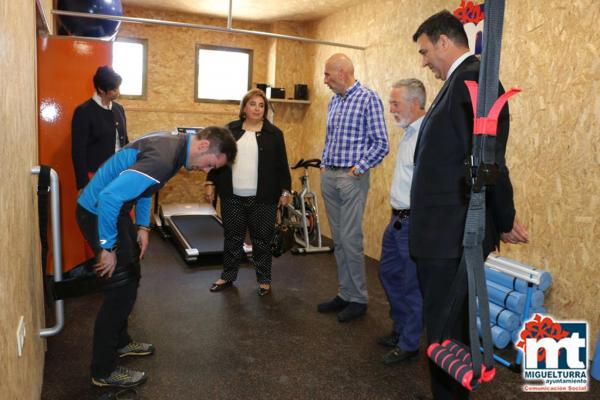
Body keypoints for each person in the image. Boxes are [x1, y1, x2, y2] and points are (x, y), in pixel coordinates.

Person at [411, 11, 529, 399]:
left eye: (426, 51)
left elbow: (488, 157)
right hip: (442, 234)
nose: (424, 61)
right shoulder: (460, 83)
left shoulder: (474, 80)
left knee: (446, 335)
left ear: (445, 41)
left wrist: (503, 216)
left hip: (451, 237)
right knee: (445, 330)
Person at [77, 127, 236, 388]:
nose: (206, 171)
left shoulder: (177, 148)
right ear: (203, 145)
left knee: (132, 274)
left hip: (116, 210)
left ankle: (121, 342)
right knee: (120, 290)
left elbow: (146, 187)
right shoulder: (164, 157)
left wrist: (142, 226)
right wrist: (107, 247)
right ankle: (103, 371)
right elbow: (108, 196)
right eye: (209, 164)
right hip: (98, 211)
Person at [317, 53, 389, 322]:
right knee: (339, 241)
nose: (324, 80)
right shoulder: (334, 101)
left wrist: (357, 169)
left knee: (350, 239)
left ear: (342, 72)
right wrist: (324, 164)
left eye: (327, 74)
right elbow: (330, 138)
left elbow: (381, 143)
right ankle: (345, 293)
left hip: (352, 179)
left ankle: (358, 298)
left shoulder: (368, 98)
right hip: (330, 175)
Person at [204, 89, 291, 297]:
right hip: (232, 196)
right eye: (253, 104)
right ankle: (227, 276)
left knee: (262, 240)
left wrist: (286, 190)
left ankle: (264, 280)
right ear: (244, 107)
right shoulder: (229, 130)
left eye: (261, 105)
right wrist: (209, 183)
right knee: (232, 238)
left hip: (264, 198)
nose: (257, 109)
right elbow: (217, 159)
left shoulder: (274, 134)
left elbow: (282, 165)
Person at [377, 79, 426, 366]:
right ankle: (400, 329)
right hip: (396, 220)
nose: (391, 108)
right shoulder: (408, 133)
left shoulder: (426, 136)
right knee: (388, 274)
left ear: (415, 103)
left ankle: (409, 343)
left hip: (412, 223)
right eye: (391, 102)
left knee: (412, 284)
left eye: (396, 103)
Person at [72, 65, 128, 191]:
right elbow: (78, 151)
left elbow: (124, 141)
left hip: (120, 174)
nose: (118, 92)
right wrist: (83, 184)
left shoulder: (119, 109)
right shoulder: (84, 112)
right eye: (114, 89)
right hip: (96, 176)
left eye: (118, 87)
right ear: (101, 90)